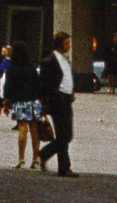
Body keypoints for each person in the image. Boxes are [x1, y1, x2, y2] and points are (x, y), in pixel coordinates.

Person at [38, 32, 76, 178]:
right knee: (63, 134)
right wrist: (45, 106)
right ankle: (64, 167)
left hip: (67, 100)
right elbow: (44, 85)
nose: (69, 45)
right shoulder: (49, 61)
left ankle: (44, 153)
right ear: (59, 43)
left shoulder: (66, 60)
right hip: (57, 100)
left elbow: (67, 77)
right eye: (67, 43)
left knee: (66, 135)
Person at [2, 40, 41, 169]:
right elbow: (37, 83)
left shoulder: (11, 68)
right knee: (34, 131)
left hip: (19, 101)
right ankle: (35, 158)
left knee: (22, 130)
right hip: (33, 100)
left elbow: (8, 86)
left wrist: (5, 102)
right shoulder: (31, 67)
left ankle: (21, 159)